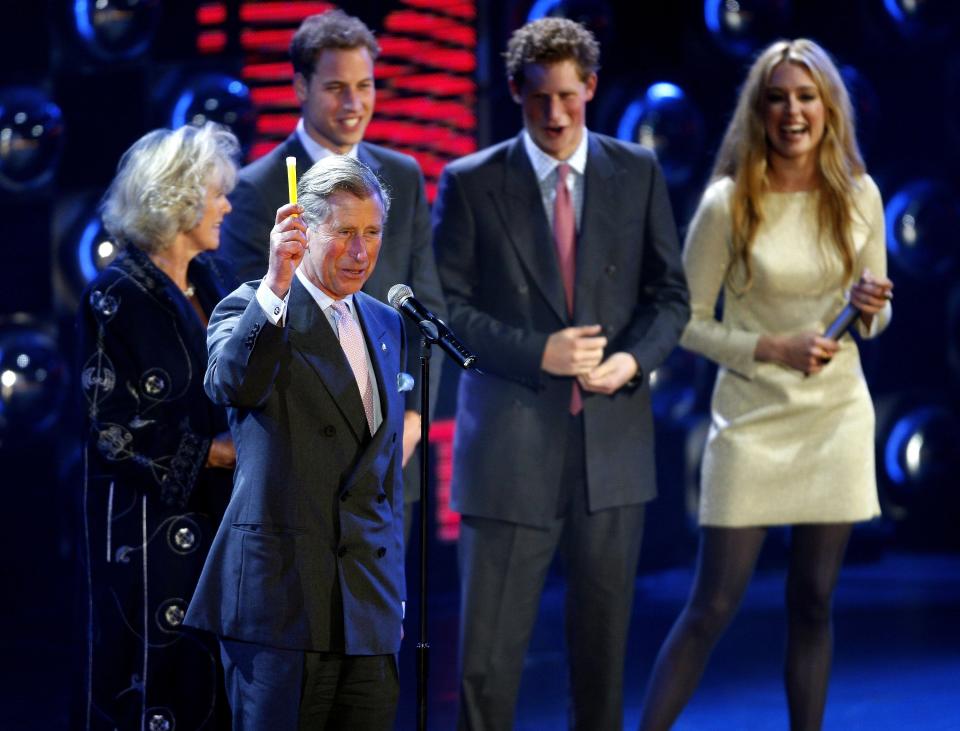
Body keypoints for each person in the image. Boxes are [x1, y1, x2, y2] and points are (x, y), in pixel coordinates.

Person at [433, 17, 690, 730]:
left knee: (602, 666)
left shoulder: (635, 172)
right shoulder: (472, 182)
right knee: (486, 669)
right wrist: (536, 351)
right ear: (515, 91)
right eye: (539, 97)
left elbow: (671, 297)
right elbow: (441, 309)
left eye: (569, 98)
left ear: (593, 90)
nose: (554, 114)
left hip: (611, 456)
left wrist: (632, 358)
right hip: (508, 455)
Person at [637, 39, 894, 731]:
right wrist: (768, 346)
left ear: (828, 107)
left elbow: (879, 312)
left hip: (834, 416)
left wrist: (871, 310)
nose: (793, 111)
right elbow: (682, 320)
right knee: (713, 603)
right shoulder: (728, 200)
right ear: (759, 109)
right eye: (778, 97)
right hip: (750, 418)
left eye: (806, 97)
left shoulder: (859, 193)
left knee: (814, 598)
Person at [184, 154, 406, 730]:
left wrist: (394, 595)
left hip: (367, 606)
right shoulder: (251, 307)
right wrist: (277, 285)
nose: (361, 252)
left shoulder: (386, 325)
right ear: (302, 231)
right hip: (281, 604)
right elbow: (232, 383)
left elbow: (384, 477)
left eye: (372, 233)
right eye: (344, 234)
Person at [218, 9, 446, 538]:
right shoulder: (258, 188)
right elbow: (244, 326)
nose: (353, 103)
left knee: (386, 614)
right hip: (300, 458)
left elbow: (426, 300)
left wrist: (413, 417)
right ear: (300, 86)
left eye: (364, 86)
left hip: (389, 449)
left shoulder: (404, 175)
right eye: (336, 87)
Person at [78, 122, 239, 731]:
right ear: (177, 197)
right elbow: (110, 431)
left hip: (220, 521)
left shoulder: (214, 280)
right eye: (216, 192)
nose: (227, 204)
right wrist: (213, 453)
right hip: (145, 531)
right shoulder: (113, 296)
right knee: (155, 691)